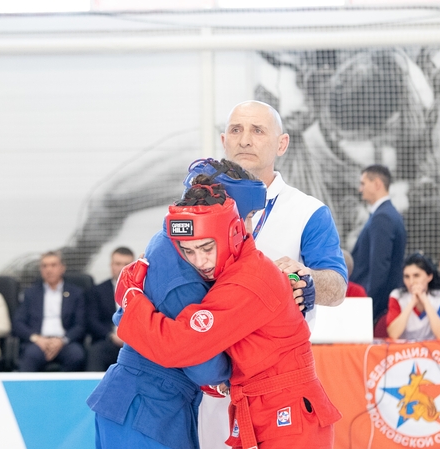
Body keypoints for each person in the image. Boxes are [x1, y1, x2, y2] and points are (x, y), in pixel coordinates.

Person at [115, 182, 342, 449]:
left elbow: (178, 344)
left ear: (232, 234)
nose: (199, 262)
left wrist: (131, 300)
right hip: (266, 409)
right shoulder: (237, 273)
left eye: (206, 248)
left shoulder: (246, 281)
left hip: (288, 416)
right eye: (189, 251)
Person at [87, 159, 269, 449]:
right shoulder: (181, 267)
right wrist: (235, 369)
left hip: (148, 404)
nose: (248, 229)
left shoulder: (177, 246)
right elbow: (200, 362)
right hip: (147, 407)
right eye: (246, 217)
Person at [221, 100, 348, 309]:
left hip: (279, 329)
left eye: (258, 131)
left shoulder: (308, 212)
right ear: (224, 141)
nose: (244, 141)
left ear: (282, 144)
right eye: (236, 130)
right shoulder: (196, 206)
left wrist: (306, 277)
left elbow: (337, 289)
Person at [12, 251, 86, 372]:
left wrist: (62, 341)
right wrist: (36, 339)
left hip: (65, 341)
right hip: (39, 342)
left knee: (76, 356)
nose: (49, 270)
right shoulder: (31, 294)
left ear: (62, 268)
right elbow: (18, 323)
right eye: (44, 266)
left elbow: (80, 325)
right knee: (30, 356)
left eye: (53, 265)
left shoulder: (75, 293)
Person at [351, 165, 407, 321]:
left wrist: (368, 303)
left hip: (373, 304)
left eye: (363, 183)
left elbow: (379, 267)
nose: (360, 189)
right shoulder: (385, 214)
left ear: (377, 184)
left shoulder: (383, 217)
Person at [85, 247, 134, 372]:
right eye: (118, 264)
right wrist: (111, 336)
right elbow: (92, 320)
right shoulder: (97, 291)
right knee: (96, 352)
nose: (122, 268)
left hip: (135, 341)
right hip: (109, 340)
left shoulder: (142, 290)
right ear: (111, 265)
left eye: (126, 264)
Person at [386, 253, 440, 340]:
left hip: (432, 347)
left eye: (416, 276)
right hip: (404, 347)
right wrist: (412, 303)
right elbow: (393, 334)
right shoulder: (397, 296)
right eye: (407, 276)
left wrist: (425, 301)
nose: (411, 282)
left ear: (429, 277)